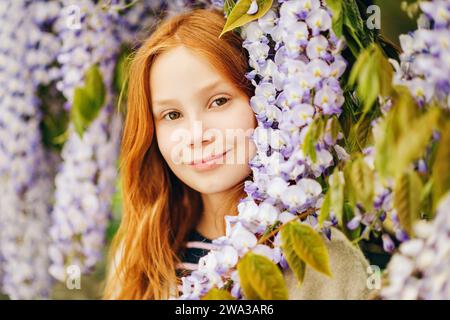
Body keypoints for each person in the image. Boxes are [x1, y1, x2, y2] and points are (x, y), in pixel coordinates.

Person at [103, 8, 372, 300]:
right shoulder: (137, 258)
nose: (196, 135)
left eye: (219, 101)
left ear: (265, 101)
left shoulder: (322, 259)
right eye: (172, 114)